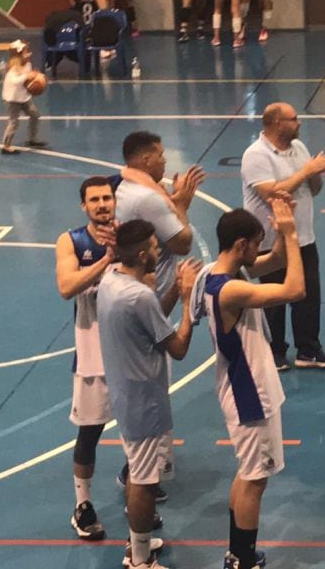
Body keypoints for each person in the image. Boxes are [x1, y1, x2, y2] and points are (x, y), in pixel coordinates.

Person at [194, 199, 301, 569]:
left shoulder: (217, 274)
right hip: (249, 394)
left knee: (247, 473)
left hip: (240, 387)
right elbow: (294, 290)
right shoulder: (232, 290)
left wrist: (283, 238)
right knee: (256, 480)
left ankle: (237, 551)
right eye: (257, 242)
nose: (260, 249)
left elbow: (274, 263)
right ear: (240, 245)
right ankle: (241, 558)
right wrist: (290, 233)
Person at [98, 220, 200, 569]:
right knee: (144, 480)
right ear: (143, 255)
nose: (161, 251)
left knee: (139, 474)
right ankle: (139, 560)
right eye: (156, 247)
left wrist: (171, 293)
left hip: (126, 396)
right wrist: (188, 301)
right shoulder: (138, 295)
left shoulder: (112, 280)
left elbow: (152, 317)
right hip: (146, 403)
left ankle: (138, 542)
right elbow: (179, 347)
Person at [240, 103, 325, 371]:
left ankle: (308, 349)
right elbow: (271, 192)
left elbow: (313, 189)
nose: (300, 123)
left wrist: (316, 173)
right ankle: (274, 351)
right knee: (273, 299)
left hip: (303, 236)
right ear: (276, 123)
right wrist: (306, 171)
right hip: (271, 241)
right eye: (294, 119)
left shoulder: (300, 148)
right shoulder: (255, 155)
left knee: (309, 295)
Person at [55, 176, 118, 541]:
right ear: (84, 206)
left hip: (130, 354)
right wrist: (108, 260)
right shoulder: (71, 241)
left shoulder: (131, 237)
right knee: (89, 432)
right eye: (94, 199)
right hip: (93, 354)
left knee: (139, 434)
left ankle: (138, 493)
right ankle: (83, 505)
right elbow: (66, 287)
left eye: (106, 198)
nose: (101, 204)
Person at [114, 131, 205, 315]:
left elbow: (158, 219)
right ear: (147, 160)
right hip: (153, 297)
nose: (164, 161)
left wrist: (171, 198)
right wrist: (181, 206)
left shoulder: (126, 187)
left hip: (135, 290)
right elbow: (183, 244)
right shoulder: (147, 198)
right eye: (161, 155)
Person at [0, 40, 46, 155]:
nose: (28, 54)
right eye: (26, 51)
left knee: (35, 116)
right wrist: (27, 75)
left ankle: (32, 139)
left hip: (24, 97)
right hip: (12, 99)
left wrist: (36, 77)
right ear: (19, 54)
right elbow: (15, 81)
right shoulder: (13, 68)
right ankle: (6, 146)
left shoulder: (28, 64)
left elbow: (28, 80)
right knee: (13, 122)